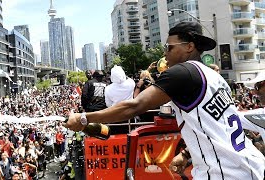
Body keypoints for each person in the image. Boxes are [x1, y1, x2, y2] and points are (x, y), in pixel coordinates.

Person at [64, 21, 265, 179]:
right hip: (249, 165)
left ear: (189, 46)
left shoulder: (183, 71)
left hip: (225, 172)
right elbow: (218, 126)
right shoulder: (215, 77)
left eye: (169, 47)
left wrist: (83, 118)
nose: (165, 53)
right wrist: (186, 154)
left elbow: (135, 105)